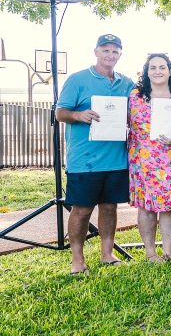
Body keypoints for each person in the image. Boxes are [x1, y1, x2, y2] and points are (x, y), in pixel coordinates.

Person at [56, 34, 134, 275]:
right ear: (96, 52)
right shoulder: (78, 80)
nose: (110, 55)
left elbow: (139, 110)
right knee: (82, 209)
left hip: (116, 158)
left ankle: (106, 253)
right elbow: (60, 113)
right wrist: (80, 116)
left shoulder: (126, 83)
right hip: (85, 160)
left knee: (110, 207)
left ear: (120, 54)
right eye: (106, 50)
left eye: (115, 51)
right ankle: (77, 260)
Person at [128, 53, 171, 263]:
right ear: (147, 72)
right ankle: (150, 253)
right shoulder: (135, 96)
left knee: (169, 205)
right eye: (153, 68)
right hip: (143, 161)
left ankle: (168, 252)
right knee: (146, 206)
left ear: (170, 71)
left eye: (162, 67)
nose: (157, 71)